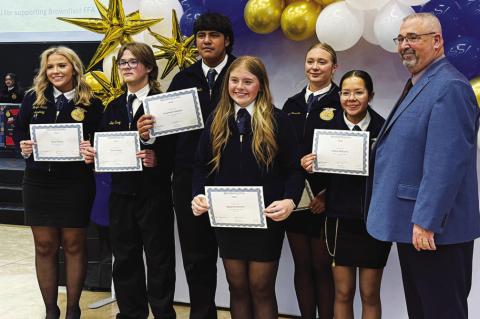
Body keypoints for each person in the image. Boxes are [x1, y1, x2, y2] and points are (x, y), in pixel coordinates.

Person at [366, 13, 480, 319]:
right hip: (414, 225)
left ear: (438, 41)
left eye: (413, 38)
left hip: (433, 231)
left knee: (441, 311)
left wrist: (426, 221)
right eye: (401, 39)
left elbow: (446, 162)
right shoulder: (421, 83)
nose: (405, 45)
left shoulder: (450, 87)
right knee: (422, 310)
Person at [137, 12, 236, 319]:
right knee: (196, 257)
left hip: (235, 179)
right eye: (201, 35)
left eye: (214, 35)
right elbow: (170, 136)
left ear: (227, 41)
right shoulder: (183, 78)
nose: (206, 41)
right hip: (188, 180)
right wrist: (150, 137)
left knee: (237, 257)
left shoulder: (242, 72)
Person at [191, 55, 304, 319]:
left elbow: (294, 169)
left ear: (261, 85)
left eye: (248, 81)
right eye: (234, 80)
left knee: (261, 287)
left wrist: (290, 200)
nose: (239, 87)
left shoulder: (279, 120)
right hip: (228, 219)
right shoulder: (216, 120)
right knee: (238, 288)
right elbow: (200, 165)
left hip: (265, 219)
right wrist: (198, 193)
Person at [82, 42, 176, 319]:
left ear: (148, 67)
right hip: (120, 195)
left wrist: (158, 159)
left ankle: (162, 314)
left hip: (154, 195)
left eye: (133, 62)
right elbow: (104, 146)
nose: (127, 67)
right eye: (123, 62)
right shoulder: (111, 107)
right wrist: (92, 154)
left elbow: (178, 149)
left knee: (159, 261)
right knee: (124, 260)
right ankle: (131, 314)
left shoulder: (164, 104)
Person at [13, 46, 103, 319]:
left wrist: (92, 150)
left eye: (61, 66)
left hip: (75, 183)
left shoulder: (92, 103)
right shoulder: (32, 98)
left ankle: (73, 309)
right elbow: (19, 133)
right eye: (50, 67)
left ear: (74, 68)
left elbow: (100, 140)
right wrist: (24, 146)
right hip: (38, 182)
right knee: (44, 247)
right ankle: (51, 311)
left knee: (74, 244)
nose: (55, 72)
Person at [302, 70, 391, 319]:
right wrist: (311, 168)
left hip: (373, 221)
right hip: (339, 220)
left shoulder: (383, 129)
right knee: (342, 292)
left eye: (358, 92)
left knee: (370, 293)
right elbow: (321, 177)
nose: (351, 98)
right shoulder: (327, 128)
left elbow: (388, 176)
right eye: (345, 92)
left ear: (370, 95)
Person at [282, 42, 341, 319]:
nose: (315, 67)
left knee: (321, 267)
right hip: (296, 199)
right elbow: (283, 151)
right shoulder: (291, 104)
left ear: (334, 67)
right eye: (310, 61)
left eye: (322, 62)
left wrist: (328, 194)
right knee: (302, 266)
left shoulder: (343, 101)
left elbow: (350, 156)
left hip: (324, 201)